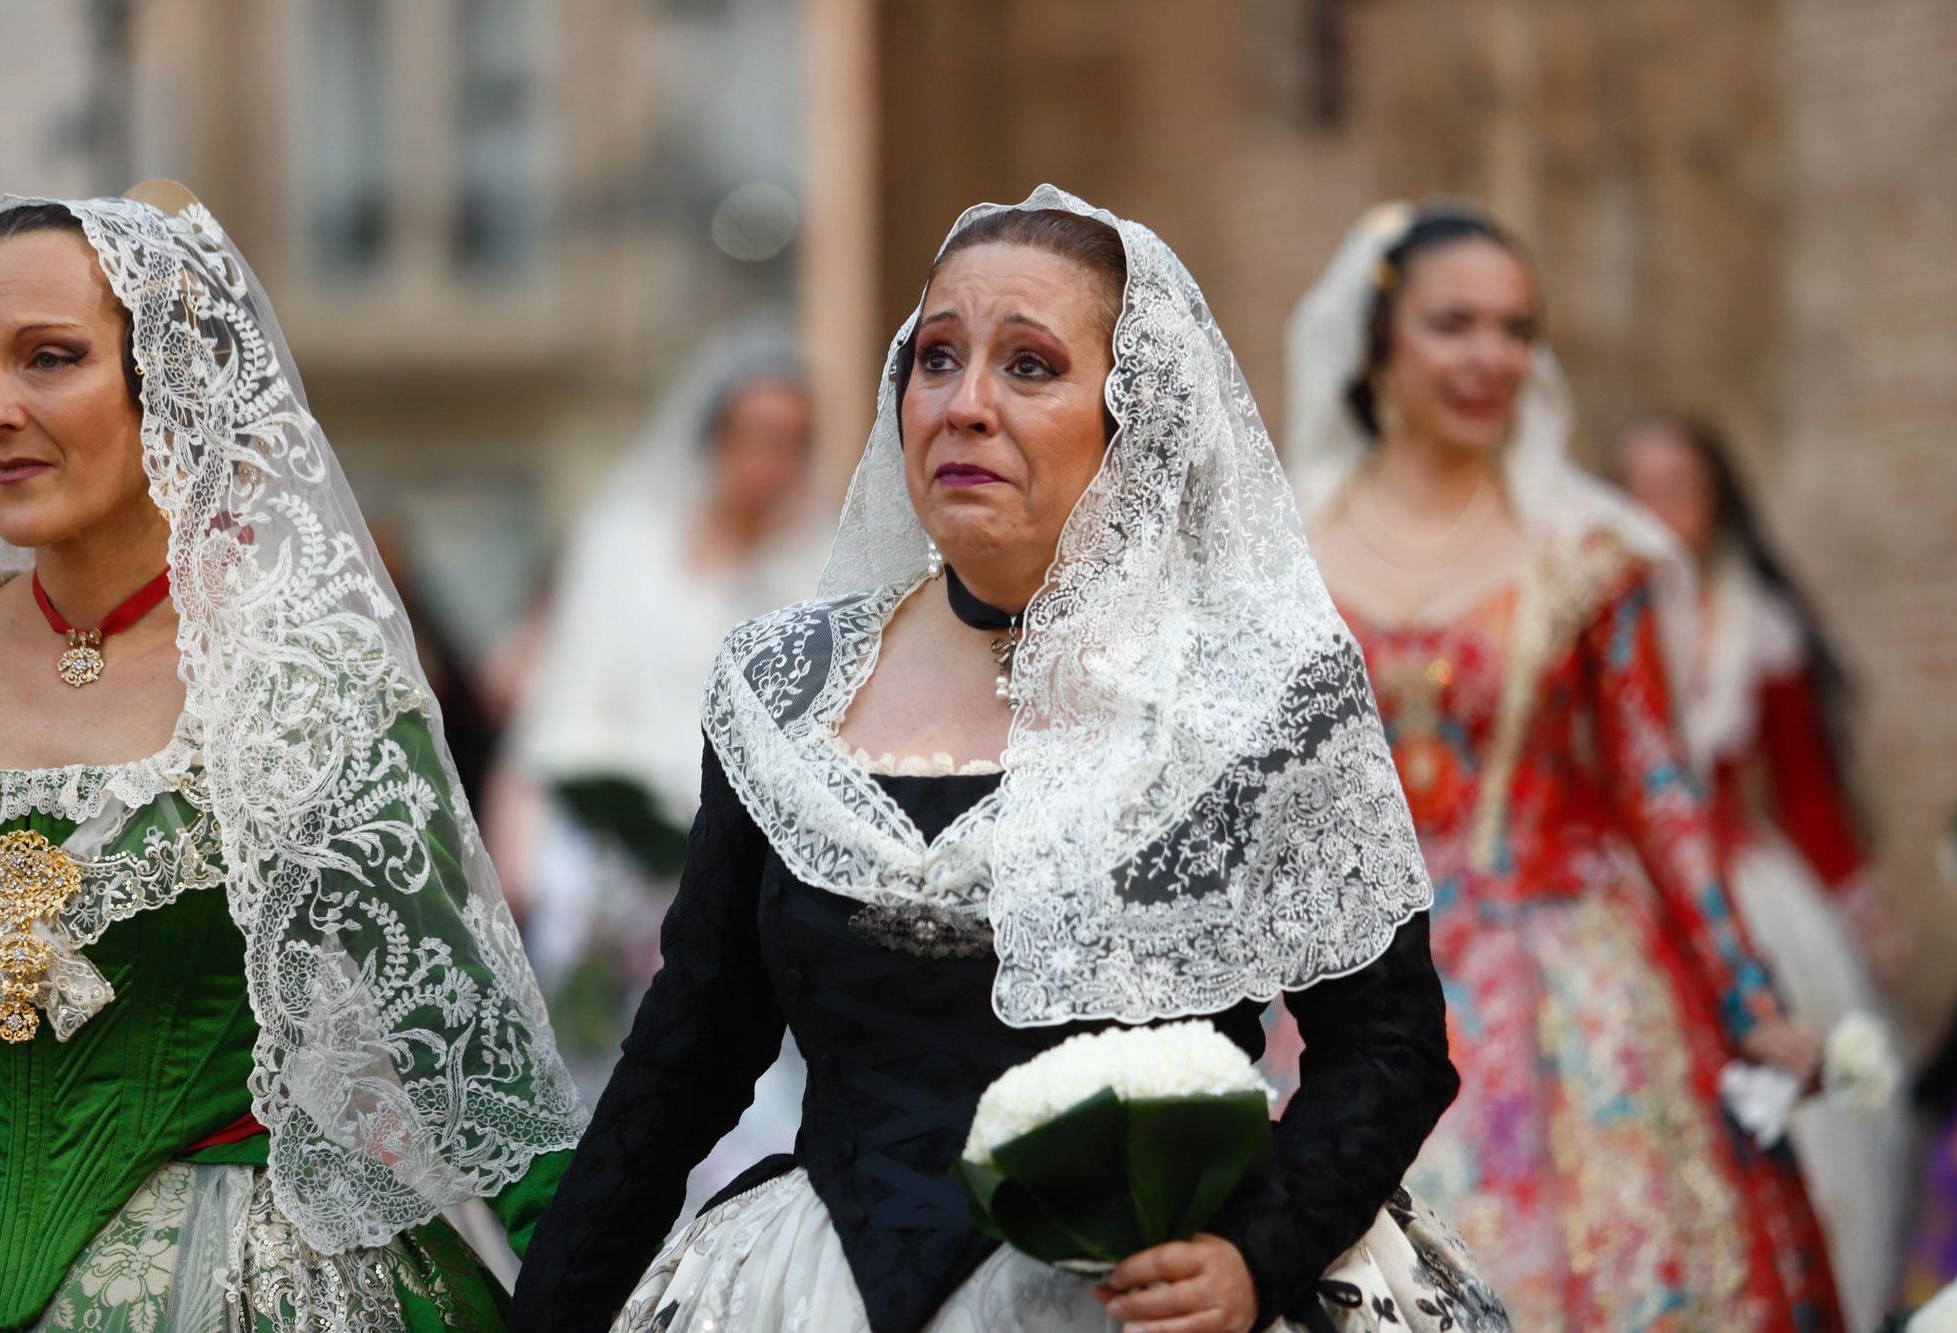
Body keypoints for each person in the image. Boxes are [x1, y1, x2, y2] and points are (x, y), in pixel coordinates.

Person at [512, 186, 1508, 1333]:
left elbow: (1383, 1044)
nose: (964, 404)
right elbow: (688, 1050)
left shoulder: (1250, 693)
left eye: (1028, 366)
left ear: (1134, 414)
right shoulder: (785, 688)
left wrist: (1254, 1253)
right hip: (815, 1288)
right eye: (936, 359)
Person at [0, 186, 584, 1331]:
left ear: (172, 387)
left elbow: (462, 1050)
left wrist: (598, 1287)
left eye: (49, 358)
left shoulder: (299, 680)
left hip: (228, 1283)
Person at [1285, 201, 1843, 1331]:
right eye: (1454, 324)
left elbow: (1657, 792)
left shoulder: (1589, 551)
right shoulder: (1282, 551)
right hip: (1341, 980)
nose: (1489, 356)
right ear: (1383, 338)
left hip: (1569, 981)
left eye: (1514, 328)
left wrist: (1747, 998)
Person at [504, 327, 825, 1197]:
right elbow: (562, 712)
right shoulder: (626, 547)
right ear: (714, 438)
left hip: (756, 877)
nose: (770, 461)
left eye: (790, 440)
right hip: (616, 864)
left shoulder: (813, 572)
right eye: (754, 435)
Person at [1615, 411, 1910, 1329]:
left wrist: (1863, 907)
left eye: (1677, 488)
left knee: (1797, 1115)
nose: (1655, 509)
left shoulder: (1759, 625)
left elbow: (1805, 788)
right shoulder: (1591, 608)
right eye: (1635, 487)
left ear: (1718, 503)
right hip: (1623, 895)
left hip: (1747, 887)